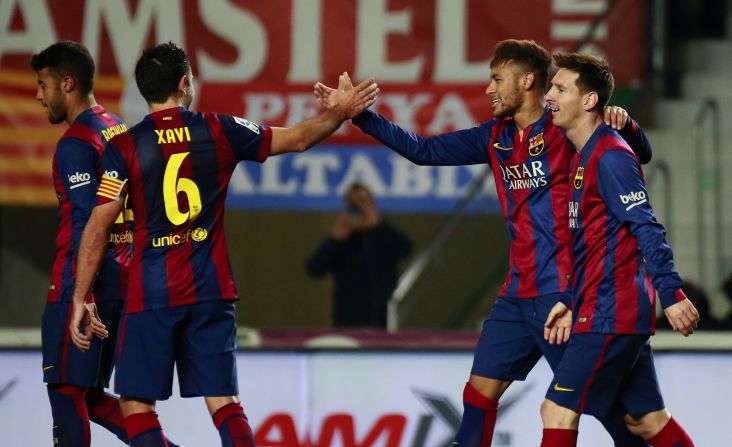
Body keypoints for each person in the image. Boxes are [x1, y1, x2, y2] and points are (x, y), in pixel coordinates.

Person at [314, 39, 652, 446]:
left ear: (527, 80)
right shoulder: (497, 137)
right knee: (478, 393)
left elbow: (635, 154)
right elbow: (424, 150)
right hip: (517, 292)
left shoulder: (565, 126)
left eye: (497, 79)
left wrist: (626, 123)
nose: (489, 89)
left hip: (563, 294)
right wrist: (362, 117)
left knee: (608, 409)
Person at [68, 41, 377, 447]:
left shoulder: (122, 147)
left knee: (137, 405)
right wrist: (339, 111)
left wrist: (79, 297)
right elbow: (300, 138)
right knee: (224, 402)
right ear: (184, 84)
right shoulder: (221, 129)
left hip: (151, 294)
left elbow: (98, 227)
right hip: (210, 290)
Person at [539, 51, 698, 447]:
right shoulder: (586, 155)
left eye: (559, 88)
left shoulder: (610, 156)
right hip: (603, 306)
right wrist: (572, 299)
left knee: (556, 411)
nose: (549, 97)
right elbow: (593, 246)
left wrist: (672, 293)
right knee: (645, 421)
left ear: (589, 100)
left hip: (611, 312)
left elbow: (645, 226)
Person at [30, 41, 161, 447]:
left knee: (66, 390)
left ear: (67, 84)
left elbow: (90, 222)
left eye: (43, 85)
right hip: (120, 278)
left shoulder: (76, 143)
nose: (38, 96)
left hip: (80, 284)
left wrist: (81, 296)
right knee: (89, 393)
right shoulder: (117, 127)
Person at [306, 182, 412, 328]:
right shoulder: (341, 239)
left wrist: (379, 226)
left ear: (373, 205)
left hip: (384, 321)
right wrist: (335, 240)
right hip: (348, 321)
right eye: (353, 204)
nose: (359, 208)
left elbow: (405, 249)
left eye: (363, 202)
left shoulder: (383, 234)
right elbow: (314, 268)